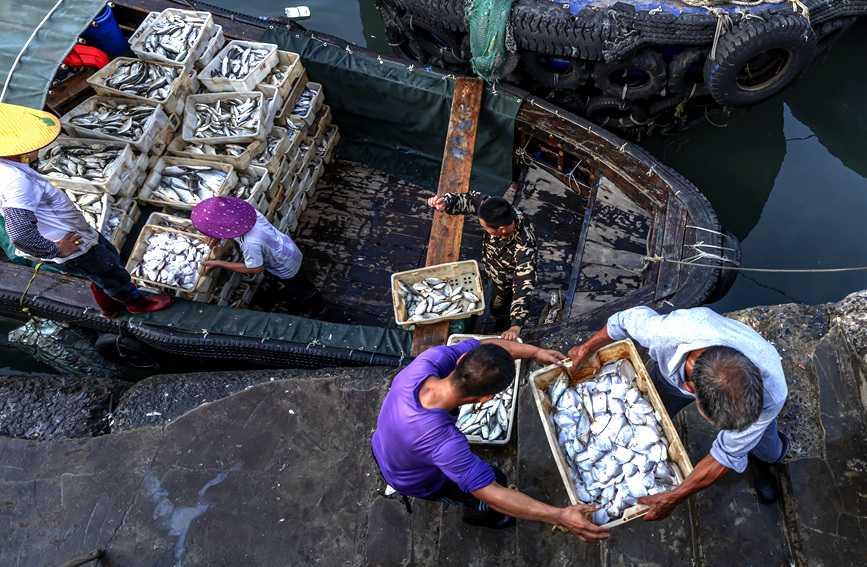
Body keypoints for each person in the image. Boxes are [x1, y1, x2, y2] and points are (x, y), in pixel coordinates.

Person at [371, 337, 610, 541]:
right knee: (492, 482)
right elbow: (490, 492)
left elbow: (484, 345)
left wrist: (536, 352)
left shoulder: (429, 361)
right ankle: (477, 515)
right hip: (413, 479)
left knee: (487, 476)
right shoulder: (444, 444)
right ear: (486, 398)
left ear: (459, 360)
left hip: (381, 443)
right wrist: (559, 516)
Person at [567, 306, 789, 520]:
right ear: (690, 390)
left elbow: (727, 453)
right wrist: (587, 348)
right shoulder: (666, 332)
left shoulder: (771, 391)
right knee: (650, 416)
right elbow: (623, 321)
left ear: (756, 372)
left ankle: (764, 461)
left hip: (756, 392)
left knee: (767, 451)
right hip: (670, 377)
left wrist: (673, 497)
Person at [0, 102, 173, 318]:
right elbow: (20, 234)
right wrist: (56, 250)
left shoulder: (5, 168)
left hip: (72, 237)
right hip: (74, 244)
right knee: (112, 273)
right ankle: (136, 304)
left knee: (100, 269)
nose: (38, 146)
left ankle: (108, 307)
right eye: (31, 143)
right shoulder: (16, 180)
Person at [190, 195, 327, 318]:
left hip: (285, 264)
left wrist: (219, 263)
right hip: (288, 247)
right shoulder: (248, 214)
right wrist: (217, 234)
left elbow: (255, 269)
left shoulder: (249, 243)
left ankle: (321, 309)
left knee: (302, 288)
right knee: (299, 279)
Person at [427, 191, 536, 341]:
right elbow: (473, 200)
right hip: (493, 267)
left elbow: (524, 283)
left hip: (506, 281)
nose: (484, 230)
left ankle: (501, 324)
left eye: (486, 229)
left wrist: (516, 324)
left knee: (499, 307)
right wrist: (446, 203)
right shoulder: (495, 208)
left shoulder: (524, 246)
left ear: (502, 230)